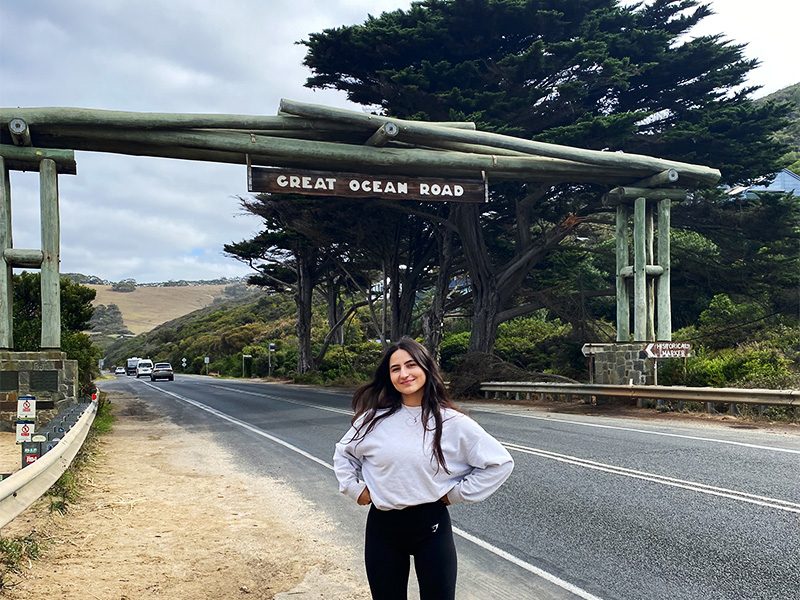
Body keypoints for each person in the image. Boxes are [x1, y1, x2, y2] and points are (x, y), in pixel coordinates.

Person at [333, 337, 514, 600]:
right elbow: (343, 453)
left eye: (411, 365)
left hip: (431, 527)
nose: (404, 374)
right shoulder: (373, 419)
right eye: (395, 369)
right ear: (389, 375)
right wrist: (354, 488)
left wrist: (455, 494)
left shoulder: (452, 422)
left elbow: (499, 462)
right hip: (382, 528)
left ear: (426, 368)